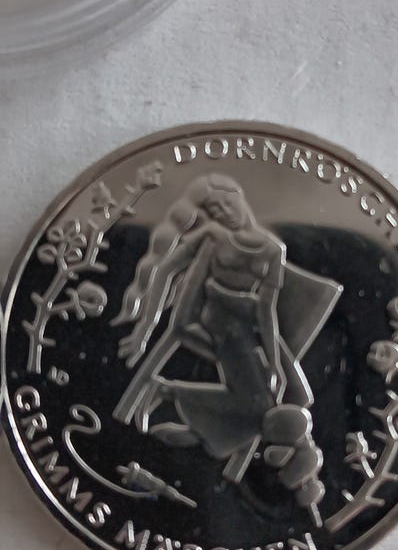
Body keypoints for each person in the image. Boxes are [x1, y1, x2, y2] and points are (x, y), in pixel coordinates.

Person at [112, 173, 341, 475]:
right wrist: (145, 327)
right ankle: (173, 397)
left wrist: (275, 361)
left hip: (249, 325)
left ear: (238, 196)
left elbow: (266, 309)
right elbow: (165, 270)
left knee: (294, 395)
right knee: (261, 405)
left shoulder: (274, 249)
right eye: (213, 210)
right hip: (219, 321)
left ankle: (205, 431)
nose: (221, 213)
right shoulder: (212, 236)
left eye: (225, 204)